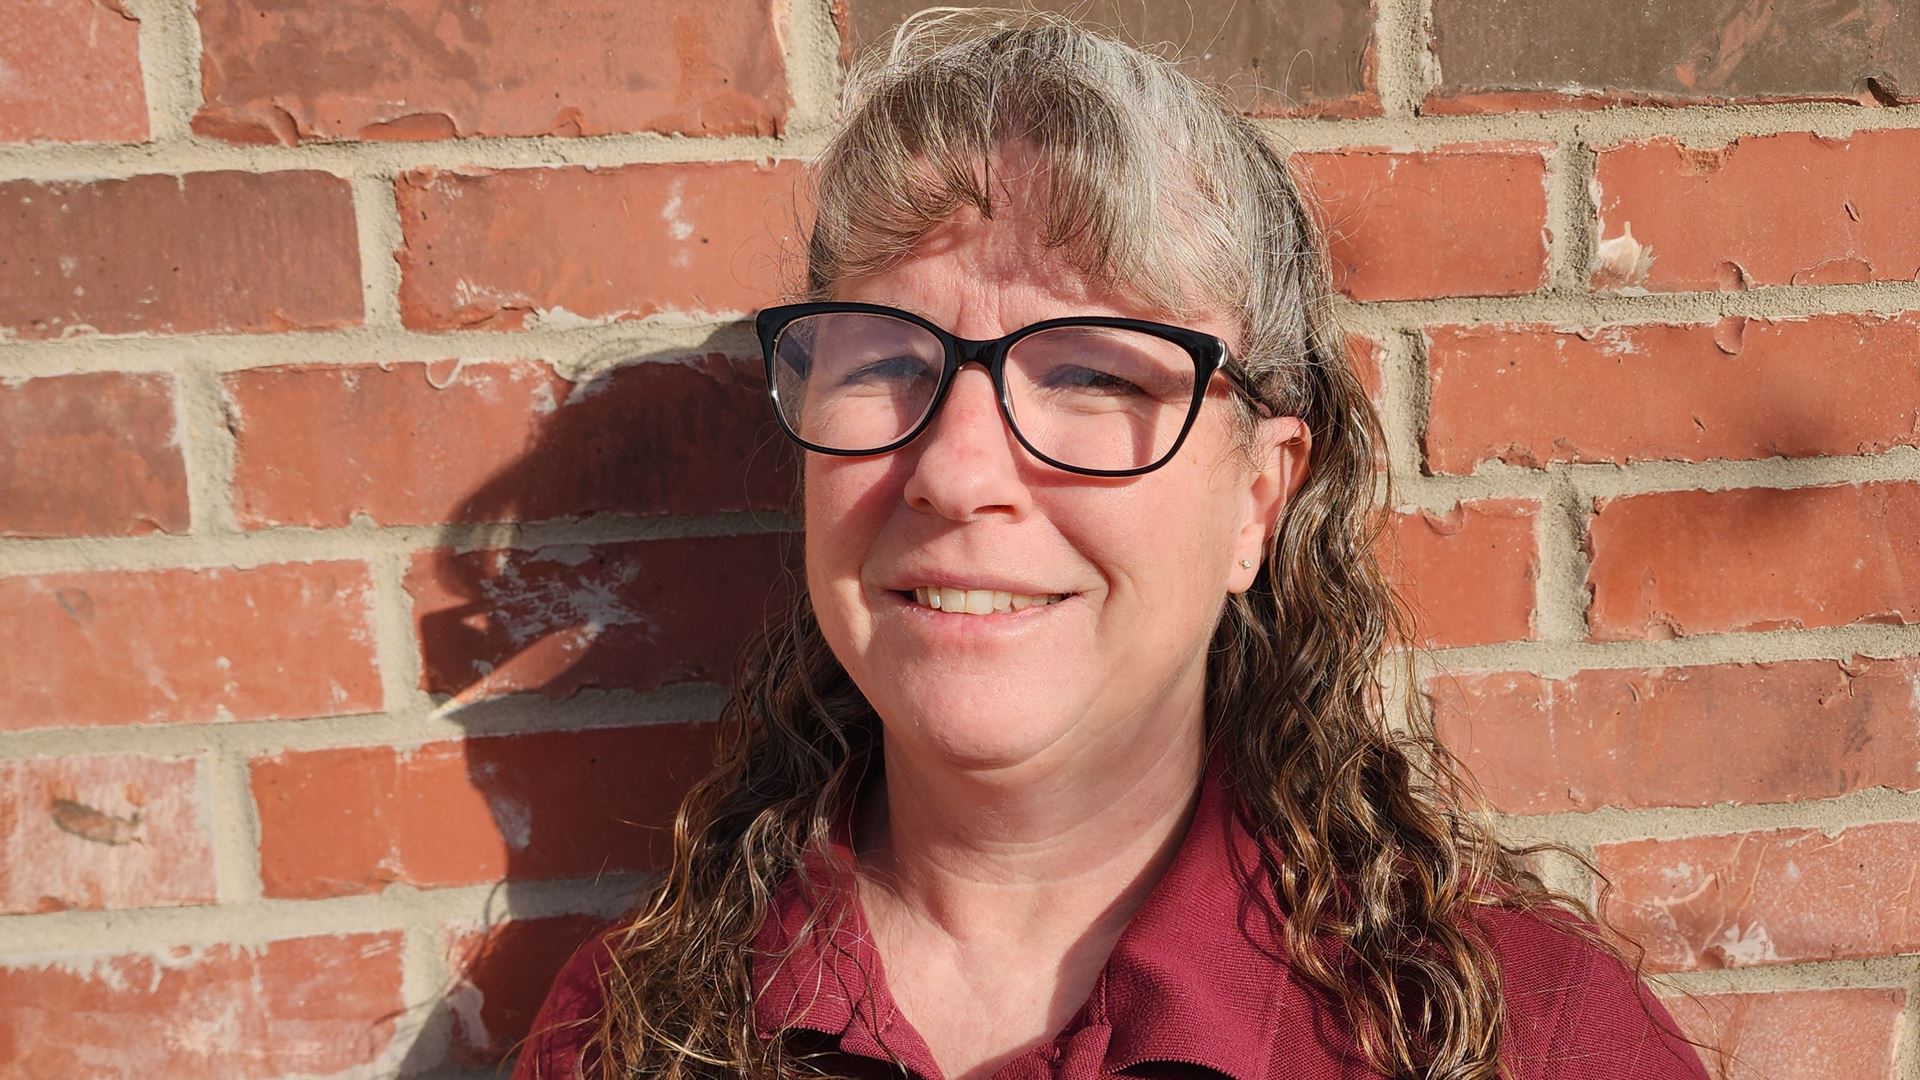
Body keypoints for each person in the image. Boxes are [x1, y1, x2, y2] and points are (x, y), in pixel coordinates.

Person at [513, 11, 1710, 1080]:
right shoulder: (626, 1039)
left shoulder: (1526, 1039)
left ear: (1258, 500)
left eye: (1090, 372)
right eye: (884, 360)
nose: (956, 472)